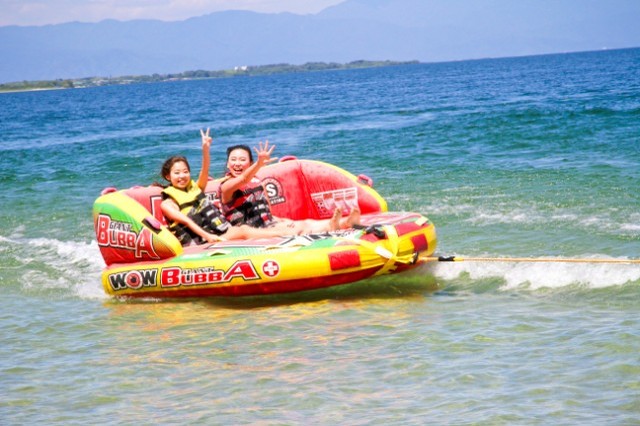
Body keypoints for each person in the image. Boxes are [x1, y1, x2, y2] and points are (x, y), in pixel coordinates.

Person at [160, 129, 300, 245]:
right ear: (168, 176)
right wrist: (207, 236)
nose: (182, 176)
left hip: (220, 231)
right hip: (200, 241)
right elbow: (186, 221)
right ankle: (285, 235)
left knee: (245, 229)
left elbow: (205, 169)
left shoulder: (196, 190)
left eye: (185, 172)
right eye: (177, 173)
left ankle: (292, 232)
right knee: (243, 230)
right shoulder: (167, 203)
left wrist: (205, 150)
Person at [219, 141, 361, 234]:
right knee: (300, 228)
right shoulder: (226, 186)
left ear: (249, 163)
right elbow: (243, 179)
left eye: (242, 160)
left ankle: (345, 222)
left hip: (266, 224)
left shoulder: (257, 181)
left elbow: (267, 209)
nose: (237, 163)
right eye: (233, 160)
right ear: (227, 164)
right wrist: (259, 164)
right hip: (248, 230)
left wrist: (280, 220)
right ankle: (333, 226)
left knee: (305, 222)